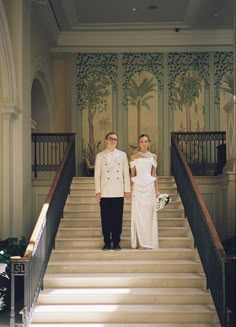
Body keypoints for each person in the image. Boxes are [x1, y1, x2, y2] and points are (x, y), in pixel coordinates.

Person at [95, 132, 131, 250]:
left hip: (118, 191)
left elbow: (126, 173)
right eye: (111, 139)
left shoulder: (122, 155)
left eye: (115, 139)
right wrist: (98, 190)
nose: (113, 141)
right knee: (105, 218)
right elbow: (97, 175)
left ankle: (116, 242)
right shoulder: (100, 156)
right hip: (105, 191)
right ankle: (106, 241)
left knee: (117, 218)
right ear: (106, 140)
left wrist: (127, 190)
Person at [130, 134, 160, 250]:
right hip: (138, 187)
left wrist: (157, 190)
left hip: (149, 188)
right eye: (142, 141)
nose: (144, 143)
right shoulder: (133, 157)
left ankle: (149, 243)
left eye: (146, 141)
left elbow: (154, 174)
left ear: (148, 143)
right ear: (139, 143)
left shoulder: (154, 157)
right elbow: (132, 175)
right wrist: (127, 189)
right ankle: (141, 243)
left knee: (149, 215)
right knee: (139, 216)